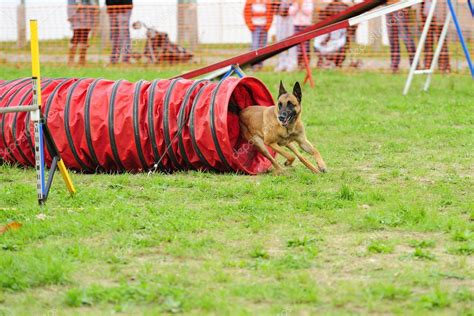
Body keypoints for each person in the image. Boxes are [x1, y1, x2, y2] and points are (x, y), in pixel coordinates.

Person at [385, 1, 416, 73]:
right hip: (388, 8)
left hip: (401, 7)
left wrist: (407, 6)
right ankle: (394, 66)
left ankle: (415, 65)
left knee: (406, 37)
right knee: (392, 38)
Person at [244, 0, 274, 70]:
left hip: (264, 26)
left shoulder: (267, 1)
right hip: (255, 26)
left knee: (263, 46)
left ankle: (260, 64)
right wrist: (250, 25)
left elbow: (270, 13)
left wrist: (268, 25)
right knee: (255, 45)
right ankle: (254, 64)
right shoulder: (250, 1)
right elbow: (246, 13)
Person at [422, 0, 450, 72]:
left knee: (441, 41)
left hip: (438, 12)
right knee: (428, 42)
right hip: (426, 13)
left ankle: (444, 66)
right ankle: (427, 66)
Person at [67, 0, 98, 65]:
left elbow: (94, 6)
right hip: (76, 17)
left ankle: (82, 60)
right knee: (76, 36)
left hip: (87, 17)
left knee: (84, 37)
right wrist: (71, 16)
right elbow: (70, 7)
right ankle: (71, 59)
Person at [106, 0, 133, 64]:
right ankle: (113, 59)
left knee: (124, 35)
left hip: (124, 8)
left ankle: (126, 59)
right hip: (111, 9)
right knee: (114, 35)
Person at [289, 0, 314, 69]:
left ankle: (306, 64)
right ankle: (299, 64)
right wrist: (297, 6)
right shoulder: (294, 1)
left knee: (306, 46)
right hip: (296, 25)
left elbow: (309, 12)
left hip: (306, 25)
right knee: (298, 46)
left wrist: (301, 6)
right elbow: (291, 12)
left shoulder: (308, 1)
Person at [274, 0, 297, 72]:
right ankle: (282, 63)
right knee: (280, 40)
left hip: (291, 15)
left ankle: (292, 63)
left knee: (291, 40)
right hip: (279, 15)